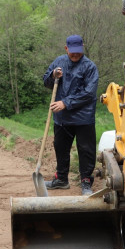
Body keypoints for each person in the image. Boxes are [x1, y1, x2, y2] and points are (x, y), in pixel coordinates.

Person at [43, 35, 99, 196]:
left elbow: (89, 93)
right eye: (72, 51)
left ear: (83, 48)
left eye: (78, 51)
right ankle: (61, 179)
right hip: (62, 118)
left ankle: (86, 182)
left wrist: (65, 103)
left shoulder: (90, 67)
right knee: (60, 148)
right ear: (66, 48)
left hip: (84, 118)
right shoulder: (59, 62)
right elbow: (45, 82)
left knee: (86, 150)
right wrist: (52, 75)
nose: (75, 54)